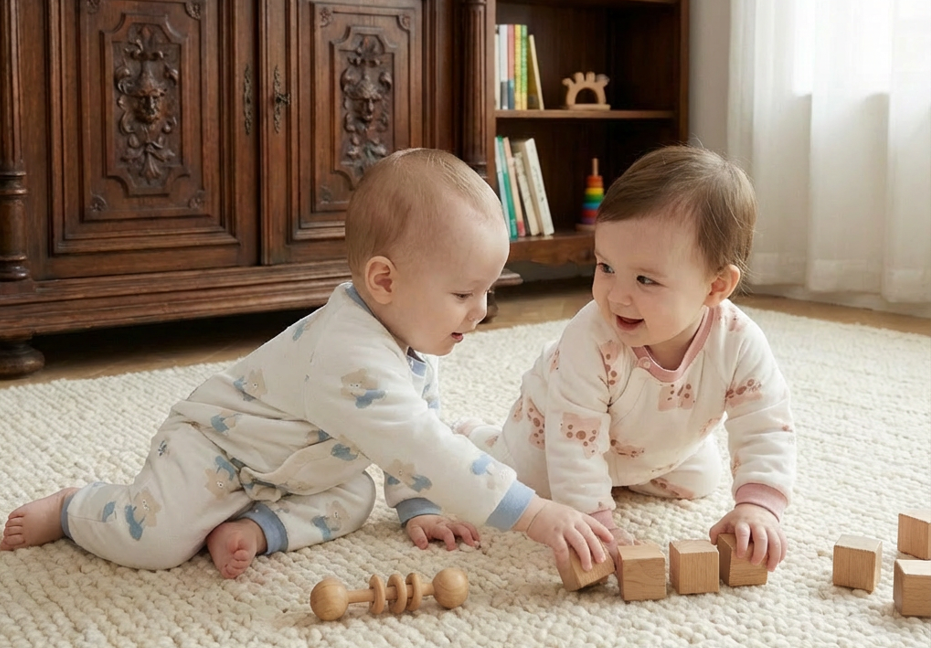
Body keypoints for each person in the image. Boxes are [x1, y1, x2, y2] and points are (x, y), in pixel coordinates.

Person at [1, 148, 613, 578]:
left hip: (304, 472)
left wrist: (417, 507)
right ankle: (75, 507)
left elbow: (414, 435)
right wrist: (534, 514)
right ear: (383, 280)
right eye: (463, 294)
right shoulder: (348, 354)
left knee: (352, 501)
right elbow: (424, 445)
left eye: (488, 293)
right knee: (157, 539)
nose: (480, 313)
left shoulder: (417, 341)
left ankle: (256, 529)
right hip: (218, 450)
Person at [459, 145, 795, 572]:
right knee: (522, 485)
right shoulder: (590, 337)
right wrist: (595, 522)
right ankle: (471, 434)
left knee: (701, 480)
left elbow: (766, 423)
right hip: (554, 432)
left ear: (715, 287)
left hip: (650, 445)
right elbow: (573, 444)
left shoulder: (740, 342)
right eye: (606, 267)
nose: (616, 295)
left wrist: (760, 506)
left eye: (645, 279)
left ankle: (620, 475)